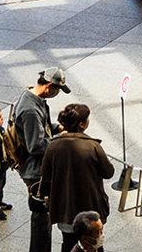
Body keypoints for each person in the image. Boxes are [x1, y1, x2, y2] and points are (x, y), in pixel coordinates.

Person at [40, 104, 114, 252]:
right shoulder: (93, 146)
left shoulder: (53, 146)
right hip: (90, 205)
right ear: (82, 124)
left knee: (68, 242)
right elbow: (108, 172)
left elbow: (46, 175)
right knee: (93, 242)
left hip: (65, 207)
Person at [14, 68, 71, 252]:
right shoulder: (30, 110)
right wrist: (60, 141)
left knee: (44, 216)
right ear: (49, 86)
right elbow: (36, 145)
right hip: (35, 171)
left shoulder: (33, 97)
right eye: (57, 90)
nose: (57, 93)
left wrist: (56, 128)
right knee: (41, 218)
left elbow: (41, 127)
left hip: (37, 168)